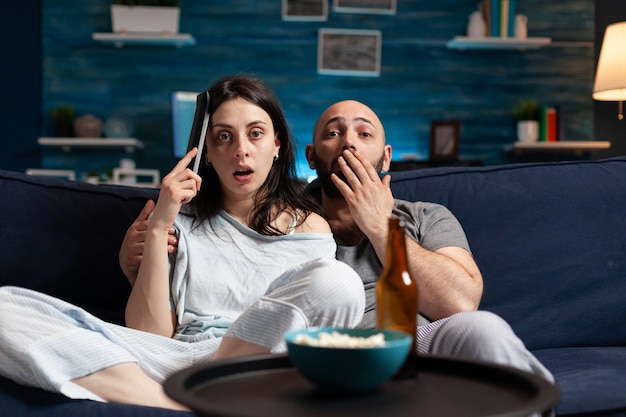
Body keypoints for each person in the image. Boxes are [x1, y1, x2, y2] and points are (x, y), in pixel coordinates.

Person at [121, 99, 555, 389]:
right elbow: (221, 272)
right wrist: (139, 259)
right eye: (334, 133)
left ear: (386, 158)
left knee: (484, 329)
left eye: (364, 135)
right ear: (310, 157)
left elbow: (461, 302)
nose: (348, 141)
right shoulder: (279, 215)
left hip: (406, 341)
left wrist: (381, 227)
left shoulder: (425, 217)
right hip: (313, 354)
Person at [0, 76, 365, 410]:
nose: (241, 150)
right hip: (178, 358)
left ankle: (199, 394)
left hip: (261, 361)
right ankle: (177, 405)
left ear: (276, 145)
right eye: (224, 136)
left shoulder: (311, 228)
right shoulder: (178, 219)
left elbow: (319, 325)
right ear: (205, 151)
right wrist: (160, 225)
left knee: (339, 281)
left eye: (255, 133)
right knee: (4, 306)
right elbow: (151, 334)